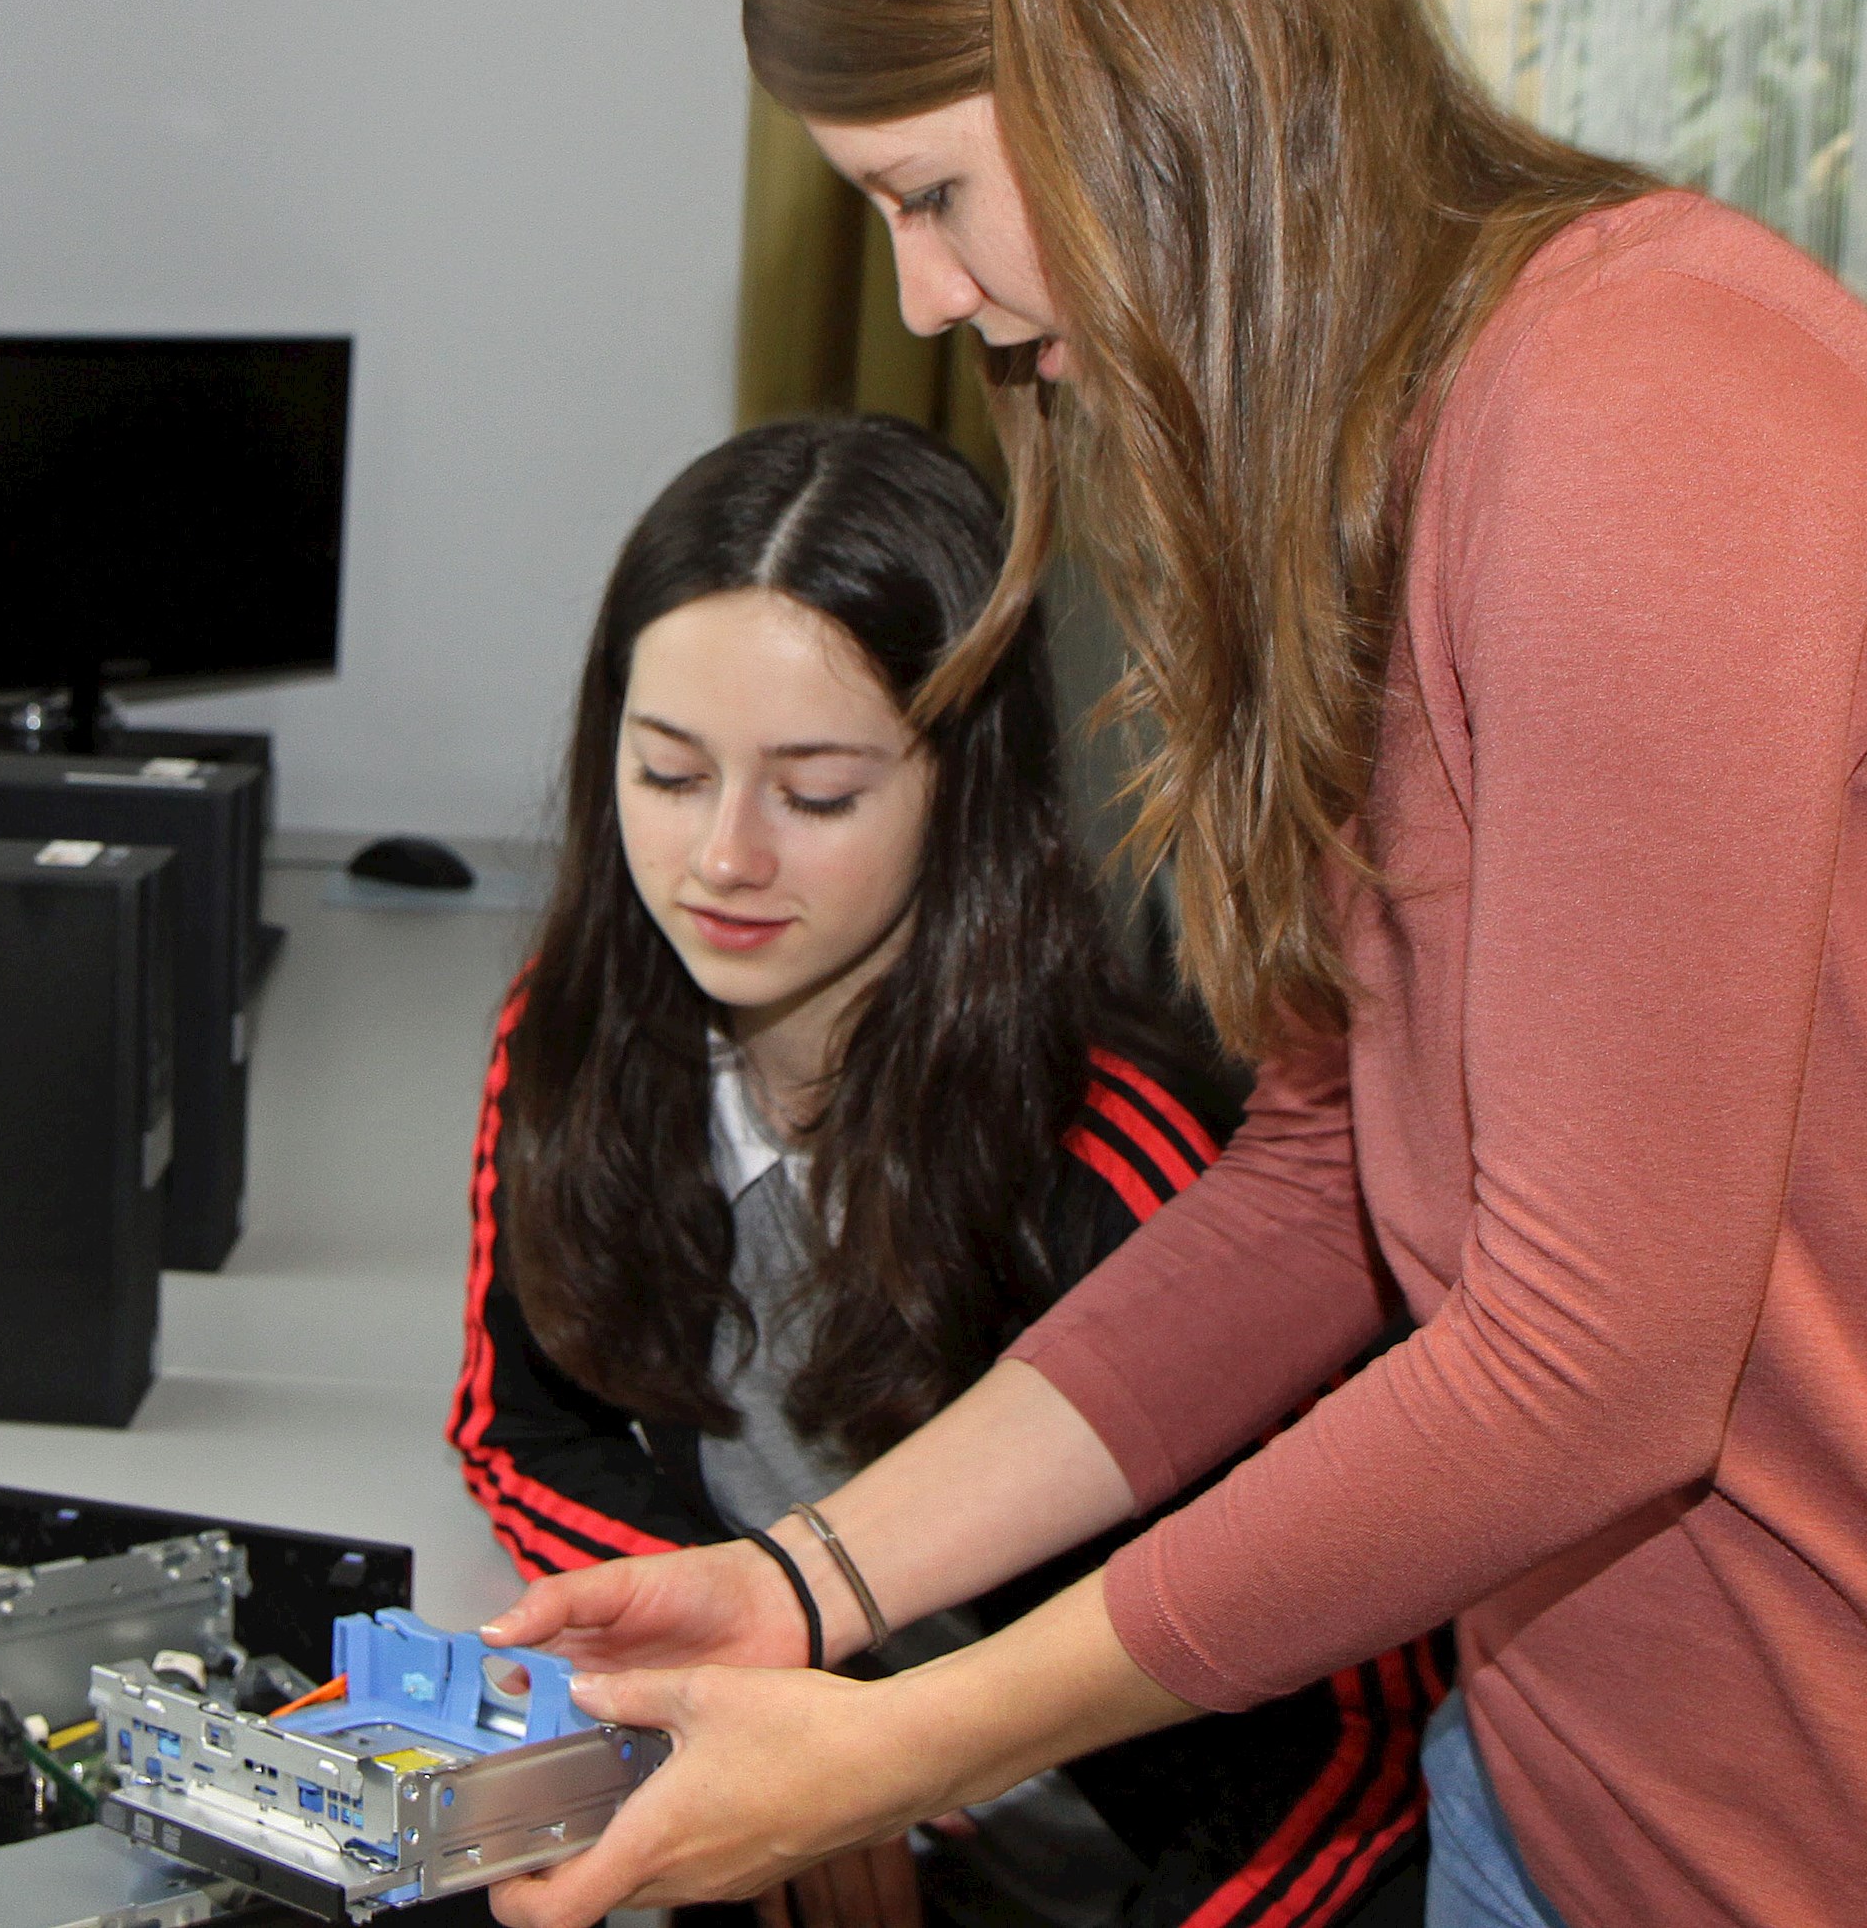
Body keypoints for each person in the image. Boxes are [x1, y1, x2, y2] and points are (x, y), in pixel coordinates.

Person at [477, 0, 1867, 1928]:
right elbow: (1322, 1193)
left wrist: (901, 1737)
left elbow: (1587, 1371)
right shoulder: (1394, 470)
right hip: (1584, 1783)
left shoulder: (1638, 414)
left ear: (1133, 59)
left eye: (936, 193)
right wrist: (807, 1579)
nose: (930, 294)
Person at [454, 413, 1437, 1928]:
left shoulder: (1137, 1169)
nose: (722, 858)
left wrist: (862, 1756)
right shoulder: (570, 1037)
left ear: (963, 784)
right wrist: (783, 1701)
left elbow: (1358, 1728)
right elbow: (521, 1428)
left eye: (819, 795)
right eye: (666, 774)